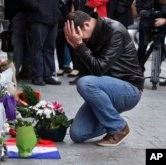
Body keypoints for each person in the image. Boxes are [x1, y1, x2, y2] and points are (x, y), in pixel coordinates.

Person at [64, 10, 144, 146]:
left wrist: (80, 46)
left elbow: (98, 69)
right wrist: (77, 48)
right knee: (77, 134)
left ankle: (119, 128)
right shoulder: (88, 35)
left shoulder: (114, 30)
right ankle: (109, 118)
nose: (82, 40)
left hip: (129, 89)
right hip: (106, 89)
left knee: (85, 83)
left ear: (87, 24)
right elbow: (84, 72)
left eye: (82, 37)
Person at [22, 0, 62, 86]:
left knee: (50, 48)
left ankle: (48, 75)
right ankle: (37, 76)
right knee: (37, 48)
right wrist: (37, 7)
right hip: (38, 18)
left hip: (53, 17)